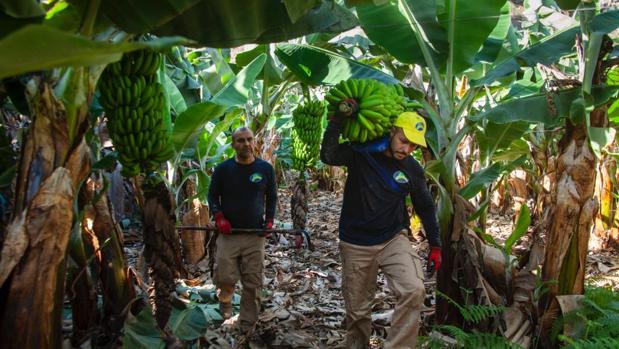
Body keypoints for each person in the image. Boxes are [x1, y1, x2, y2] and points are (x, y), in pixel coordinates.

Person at [321, 110, 442, 348]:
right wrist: (336, 122)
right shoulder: (362, 152)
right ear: (392, 131)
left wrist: (436, 244)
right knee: (357, 312)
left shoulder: (412, 168)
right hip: (355, 241)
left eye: (413, 146)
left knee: (414, 289)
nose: (407, 150)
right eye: (404, 141)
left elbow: (425, 206)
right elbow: (329, 155)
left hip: (392, 238)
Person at [207, 126, 277, 332]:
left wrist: (270, 222)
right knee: (225, 278)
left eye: (249, 139)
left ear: (254, 141)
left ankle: (247, 324)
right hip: (229, 235)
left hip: (254, 235)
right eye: (240, 140)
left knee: (253, 282)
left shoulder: (265, 169)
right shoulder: (223, 169)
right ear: (233, 145)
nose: (246, 144)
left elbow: (271, 197)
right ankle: (226, 308)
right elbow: (212, 196)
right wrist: (219, 217)